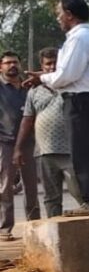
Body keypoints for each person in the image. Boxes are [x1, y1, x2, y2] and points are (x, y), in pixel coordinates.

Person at [22, 0, 89, 216]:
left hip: (82, 102)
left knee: (84, 154)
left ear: (69, 15)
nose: (58, 18)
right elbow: (66, 73)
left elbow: (66, 76)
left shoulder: (79, 39)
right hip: (87, 100)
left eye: (59, 13)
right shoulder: (84, 37)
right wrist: (44, 76)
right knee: (88, 153)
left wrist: (42, 78)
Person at [14, 48, 80, 218]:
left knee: (80, 192)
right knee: (51, 198)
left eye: (55, 63)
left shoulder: (72, 85)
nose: (52, 67)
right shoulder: (34, 91)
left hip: (71, 150)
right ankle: (55, 229)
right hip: (44, 152)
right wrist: (18, 148)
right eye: (48, 64)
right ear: (42, 66)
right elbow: (27, 120)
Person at [1, 51, 39, 242]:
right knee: (5, 186)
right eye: (8, 63)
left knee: (31, 186)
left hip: (29, 143)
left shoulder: (29, 87)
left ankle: (35, 226)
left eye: (15, 62)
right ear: (1, 67)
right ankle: (5, 228)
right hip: (5, 143)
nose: (12, 66)